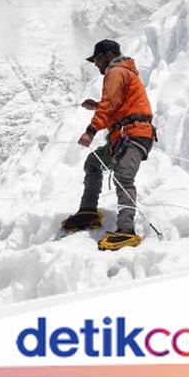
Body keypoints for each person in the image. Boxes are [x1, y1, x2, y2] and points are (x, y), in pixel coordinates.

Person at [63, 40, 156, 251]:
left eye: (97, 59)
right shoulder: (123, 73)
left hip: (133, 134)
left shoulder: (115, 71)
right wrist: (96, 106)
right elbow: (116, 106)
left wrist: (90, 131)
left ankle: (126, 230)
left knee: (124, 176)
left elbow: (110, 105)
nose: (96, 64)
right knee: (94, 163)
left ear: (109, 55)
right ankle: (88, 212)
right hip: (128, 135)